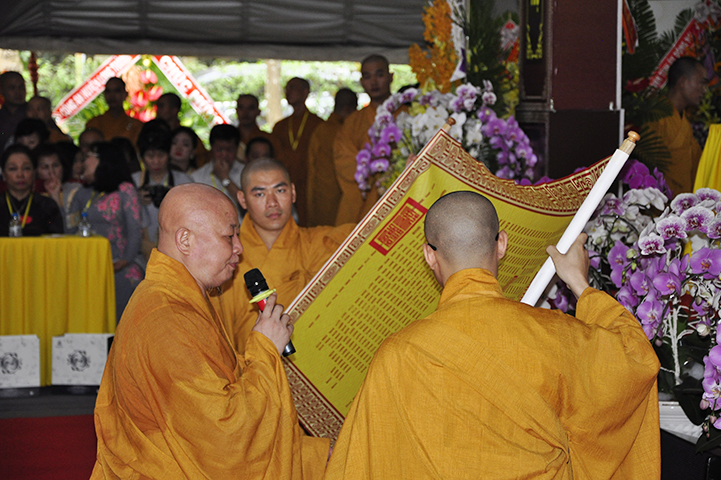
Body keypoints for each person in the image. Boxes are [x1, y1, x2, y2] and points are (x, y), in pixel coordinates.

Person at [325, 191, 661, 479]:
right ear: (501, 244)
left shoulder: (398, 355)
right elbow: (636, 358)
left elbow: (360, 465)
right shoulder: (554, 333)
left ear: (429, 255)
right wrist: (578, 282)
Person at [90, 183, 330, 479]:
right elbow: (224, 438)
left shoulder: (179, 298)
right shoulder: (163, 318)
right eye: (230, 236)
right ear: (185, 240)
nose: (239, 248)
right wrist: (265, 347)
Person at [212, 158, 353, 354]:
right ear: (242, 200)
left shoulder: (322, 243)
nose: (272, 203)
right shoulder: (224, 258)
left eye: (280, 191)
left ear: (293, 192)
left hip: (314, 365)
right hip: (251, 368)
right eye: (260, 194)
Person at [68, 142, 144, 320]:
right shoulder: (81, 193)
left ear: (102, 160)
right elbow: (70, 228)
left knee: (127, 281)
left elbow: (135, 230)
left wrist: (124, 261)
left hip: (119, 264)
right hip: (86, 264)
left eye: (88, 157)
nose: (84, 162)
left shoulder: (125, 190)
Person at [333, 55, 394, 225]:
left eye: (379, 75)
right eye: (367, 77)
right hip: (364, 205)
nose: (374, 82)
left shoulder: (408, 116)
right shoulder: (352, 122)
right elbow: (344, 161)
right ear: (361, 82)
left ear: (391, 77)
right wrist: (375, 169)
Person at [646, 56, 708, 196]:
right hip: (660, 202)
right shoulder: (656, 117)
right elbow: (649, 167)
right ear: (683, 82)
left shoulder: (684, 122)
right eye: (701, 83)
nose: (704, 90)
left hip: (684, 202)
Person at [270, 78, 323, 226]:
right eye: (286, 89)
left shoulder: (318, 124)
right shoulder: (280, 126)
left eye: (292, 88)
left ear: (305, 92)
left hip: (309, 184)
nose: (288, 92)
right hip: (285, 182)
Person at [132, 128, 193, 245]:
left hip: (175, 244)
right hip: (141, 246)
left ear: (168, 154)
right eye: (150, 156)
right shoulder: (134, 182)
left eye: (161, 155)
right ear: (142, 157)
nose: (156, 161)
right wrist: (135, 200)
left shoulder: (184, 182)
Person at [307, 88, 358, 226]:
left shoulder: (321, 130)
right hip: (350, 195)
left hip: (324, 198)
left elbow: (311, 167)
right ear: (349, 108)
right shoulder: (352, 131)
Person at [0, 144, 63, 236]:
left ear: (34, 172)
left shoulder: (47, 206)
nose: (20, 175)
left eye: (26, 168)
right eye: (13, 169)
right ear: (3, 174)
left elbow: (56, 239)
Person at [191, 123, 243, 204]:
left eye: (229, 150)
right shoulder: (197, 177)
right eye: (219, 150)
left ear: (237, 149)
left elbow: (246, 204)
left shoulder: (246, 173)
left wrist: (224, 178)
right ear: (211, 148)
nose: (224, 154)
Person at [33, 144, 82, 228]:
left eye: (55, 166)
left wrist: (56, 196)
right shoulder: (31, 192)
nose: (51, 172)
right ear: (35, 171)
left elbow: (71, 228)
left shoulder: (75, 190)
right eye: (45, 167)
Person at [86, 77, 144, 145]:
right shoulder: (93, 124)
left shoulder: (137, 126)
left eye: (117, 91)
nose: (112, 96)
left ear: (125, 94)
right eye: (108, 91)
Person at [235, 94, 272, 163]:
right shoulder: (229, 139)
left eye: (251, 108)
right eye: (241, 108)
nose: (245, 113)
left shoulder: (269, 138)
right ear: (236, 110)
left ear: (259, 112)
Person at [0, 71, 27, 149]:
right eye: (12, 88)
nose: (18, 92)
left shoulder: (35, 113)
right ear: (1, 91)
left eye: (21, 87)